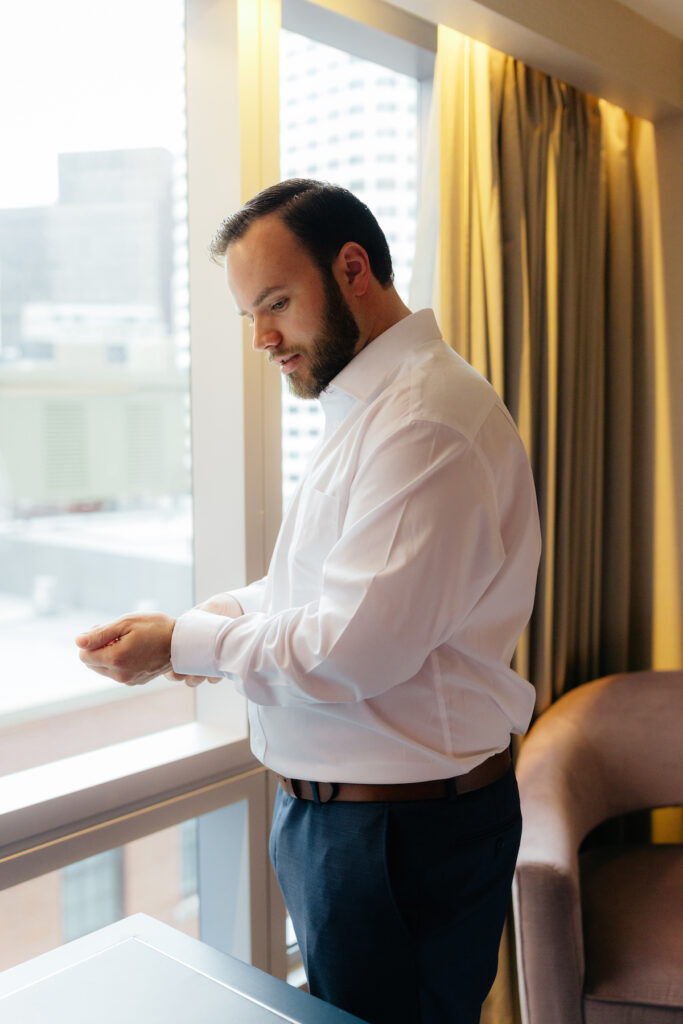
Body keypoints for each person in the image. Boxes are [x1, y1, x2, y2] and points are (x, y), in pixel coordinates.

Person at [76, 179, 541, 1024]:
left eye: (276, 304)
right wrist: (205, 622)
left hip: (394, 838)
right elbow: (323, 585)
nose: (261, 338)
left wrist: (188, 644)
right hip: (367, 824)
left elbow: (351, 646)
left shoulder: (423, 423)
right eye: (249, 314)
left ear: (353, 267)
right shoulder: (372, 410)